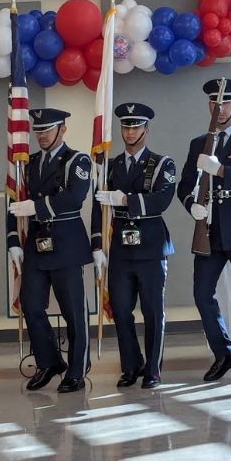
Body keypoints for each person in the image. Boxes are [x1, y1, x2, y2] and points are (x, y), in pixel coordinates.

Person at [176, 79, 231, 384]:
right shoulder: (198, 143)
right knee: (202, 294)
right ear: (209, 106)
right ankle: (224, 352)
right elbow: (185, 186)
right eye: (214, 103)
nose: (220, 108)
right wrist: (192, 206)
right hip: (210, 227)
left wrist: (221, 170)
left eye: (226, 103)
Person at [7, 108, 92, 393]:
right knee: (30, 305)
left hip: (66, 243)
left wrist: (38, 207)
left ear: (62, 130)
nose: (41, 135)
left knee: (73, 312)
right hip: (36, 245)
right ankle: (49, 361)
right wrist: (12, 241)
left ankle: (77, 370)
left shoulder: (76, 160)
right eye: (38, 130)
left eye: (47, 130)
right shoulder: (26, 164)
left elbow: (75, 196)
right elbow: (14, 201)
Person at [91, 103, 176, 389]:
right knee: (121, 309)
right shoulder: (110, 167)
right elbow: (97, 207)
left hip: (151, 247)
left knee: (153, 311)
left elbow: (162, 200)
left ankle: (153, 368)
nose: (130, 132)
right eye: (126, 126)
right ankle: (131, 365)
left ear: (146, 129)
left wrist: (126, 200)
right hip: (121, 249)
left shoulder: (163, 164)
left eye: (135, 126)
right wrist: (97, 246)